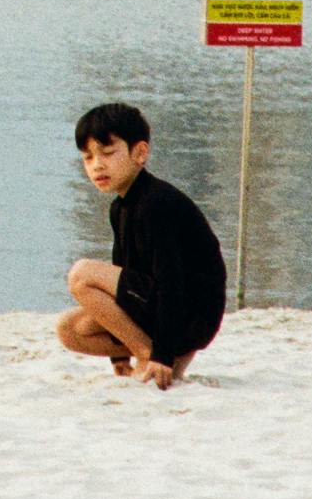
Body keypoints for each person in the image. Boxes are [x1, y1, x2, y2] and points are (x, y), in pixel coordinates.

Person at [55, 100, 225, 390]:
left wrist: (159, 353)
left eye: (108, 153)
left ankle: (150, 355)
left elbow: (172, 281)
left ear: (140, 153)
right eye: (88, 157)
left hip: (191, 314)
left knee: (81, 275)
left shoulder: (156, 203)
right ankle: (154, 356)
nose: (97, 165)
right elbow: (126, 271)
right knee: (71, 329)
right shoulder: (120, 207)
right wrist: (117, 357)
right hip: (164, 313)